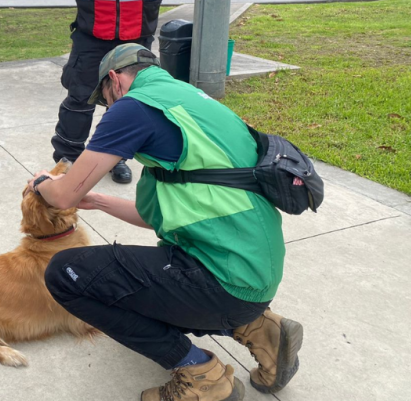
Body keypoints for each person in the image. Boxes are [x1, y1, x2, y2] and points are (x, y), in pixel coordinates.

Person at [29, 43, 304, 401]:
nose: (108, 108)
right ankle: (260, 328)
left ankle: (201, 375)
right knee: (135, 286)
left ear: (116, 80)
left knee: (66, 274)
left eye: (106, 100)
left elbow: (62, 196)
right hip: (253, 276)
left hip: (223, 282)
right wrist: (95, 200)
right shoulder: (189, 100)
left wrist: (42, 184)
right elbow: (152, 217)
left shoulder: (133, 107)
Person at [52, 0, 163, 184]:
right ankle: (67, 160)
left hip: (136, 33)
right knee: (80, 99)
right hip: (91, 34)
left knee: (126, 101)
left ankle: (115, 157)